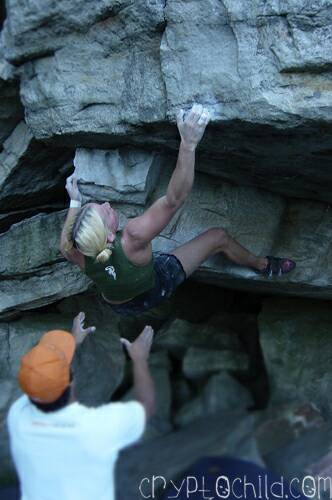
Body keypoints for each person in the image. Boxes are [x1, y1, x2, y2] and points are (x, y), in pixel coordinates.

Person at [60, 104, 296, 316]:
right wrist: (189, 144)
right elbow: (175, 199)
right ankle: (260, 264)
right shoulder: (133, 237)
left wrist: (74, 203)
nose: (107, 204)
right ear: (110, 236)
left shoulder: (80, 252)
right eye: (105, 212)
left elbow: (65, 246)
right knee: (218, 237)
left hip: (121, 306)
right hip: (155, 288)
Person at [7, 312, 155, 500]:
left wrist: (72, 343)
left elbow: (46, 383)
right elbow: (146, 407)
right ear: (72, 382)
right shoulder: (93, 429)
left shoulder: (18, 416)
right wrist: (140, 358)